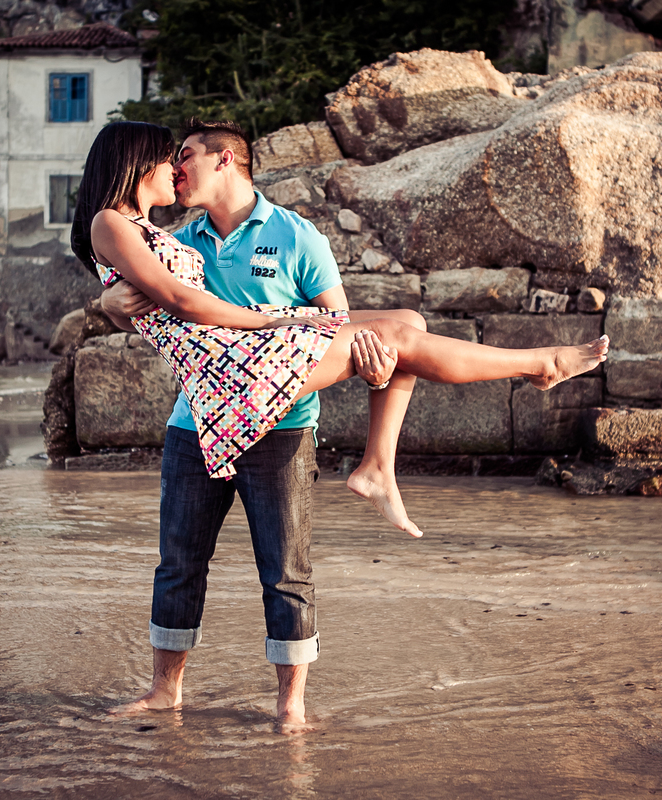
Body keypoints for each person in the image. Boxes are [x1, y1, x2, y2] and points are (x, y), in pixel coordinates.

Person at [76, 120, 609, 725]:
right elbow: (169, 304)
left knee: (402, 330)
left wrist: (365, 363)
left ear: (225, 160)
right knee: (180, 562)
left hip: (274, 405)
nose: (175, 166)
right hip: (222, 383)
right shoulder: (161, 231)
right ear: (134, 162)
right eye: (167, 158)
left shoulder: (295, 236)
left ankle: (293, 701)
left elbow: (333, 324)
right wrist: (113, 304)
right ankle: (528, 371)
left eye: (187, 156)